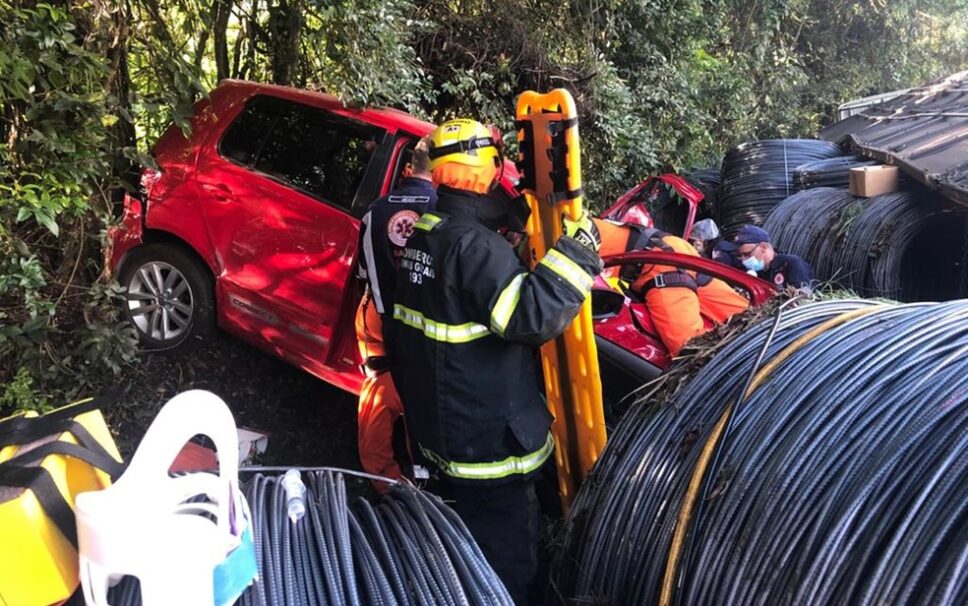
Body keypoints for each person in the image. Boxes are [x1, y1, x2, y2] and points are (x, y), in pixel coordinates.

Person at [388, 118, 602, 604]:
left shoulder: (429, 233)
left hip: (446, 437)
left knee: (469, 550)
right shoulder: (476, 247)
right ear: (486, 167)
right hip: (488, 452)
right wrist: (579, 252)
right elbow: (529, 316)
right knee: (511, 570)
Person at [355, 138, 437, 484]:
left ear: (408, 168)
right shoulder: (443, 209)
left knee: (377, 396)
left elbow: (364, 271)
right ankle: (424, 478)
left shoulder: (376, 210)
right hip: (424, 324)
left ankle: (383, 481)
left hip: (378, 317)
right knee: (421, 398)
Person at [595, 218, 749, 356]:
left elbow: (688, 349)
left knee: (689, 348)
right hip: (670, 250)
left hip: (660, 265)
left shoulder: (575, 234)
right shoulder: (582, 224)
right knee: (747, 314)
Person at [720, 225, 816, 291]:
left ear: (763, 248)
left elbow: (804, 301)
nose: (744, 260)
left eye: (747, 254)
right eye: (740, 256)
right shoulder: (755, 273)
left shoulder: (792, 265)